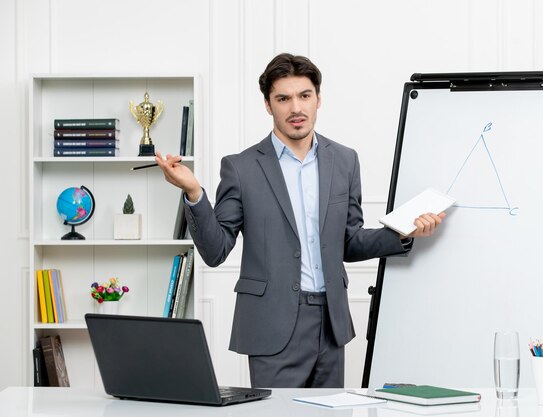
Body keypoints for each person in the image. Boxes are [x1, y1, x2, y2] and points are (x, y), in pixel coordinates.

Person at [155, 53, 445, 388]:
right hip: (272, 325)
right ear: (268, 105)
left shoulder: (345, 161)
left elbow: (348, 241)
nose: (296, 108)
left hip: (330, 323)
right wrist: (193, 191)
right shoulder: (241, 167)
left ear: (318, 99)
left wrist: (403, 233)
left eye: (304, 96)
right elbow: (215, 250)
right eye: (283, 98)